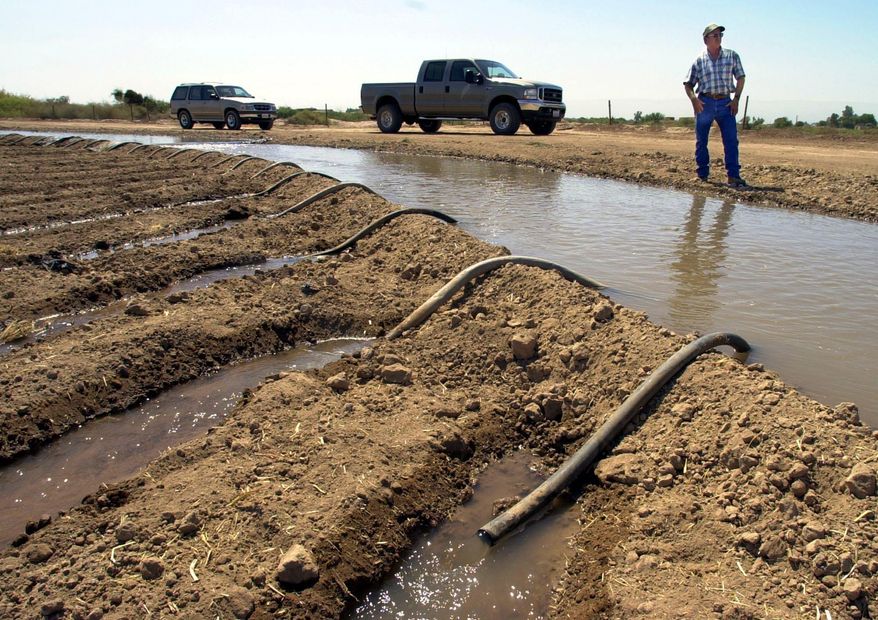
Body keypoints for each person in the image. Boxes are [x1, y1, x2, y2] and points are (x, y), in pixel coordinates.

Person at [684, 23, 747, 187]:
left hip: (726, 102)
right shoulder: (699, 60)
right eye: (715, 35)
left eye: (720, 35)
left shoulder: (732, 56)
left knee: (731, 140)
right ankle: (702, 175)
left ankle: (733, 176)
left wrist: (736, 99)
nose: (718, 37)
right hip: (705, 103)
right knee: (701, 141)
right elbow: (688, 84)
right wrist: (694, 100)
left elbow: (741, 77)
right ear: (706, 40)